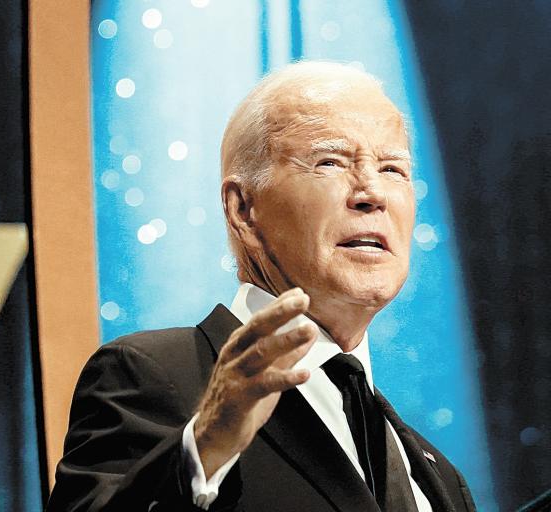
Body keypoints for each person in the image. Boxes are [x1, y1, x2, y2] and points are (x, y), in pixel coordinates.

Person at [46, 61, 476, 512]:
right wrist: (204, 449)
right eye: (329, 162)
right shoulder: (153, 374)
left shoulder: (436, 474)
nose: (372, 193)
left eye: (392, 169)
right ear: (243, 208)